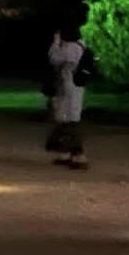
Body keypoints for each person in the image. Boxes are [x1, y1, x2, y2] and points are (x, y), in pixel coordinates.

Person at [44, 26, 91, 171]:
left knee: (68, 122)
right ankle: (65, 153)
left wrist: (56, 42)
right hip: (76, 88)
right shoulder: (82, 46)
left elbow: (53, 58)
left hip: (68, 88)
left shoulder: (69, 48)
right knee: (69, 120)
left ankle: (78, 155)